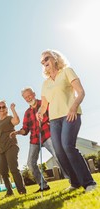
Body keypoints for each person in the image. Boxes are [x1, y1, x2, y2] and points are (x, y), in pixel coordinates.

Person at [39, 49, 97, 192]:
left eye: (47, 58)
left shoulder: (67, 71)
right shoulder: (45, 83)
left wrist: (73, 107)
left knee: (67, 146)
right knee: (59, 151)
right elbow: (44, 105)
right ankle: (75, 182)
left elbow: (81, 92)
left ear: (55, 58)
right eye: (42, 61)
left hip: (70, 115)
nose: (44, 62)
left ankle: (89, 183)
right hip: (54, 120)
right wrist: (40, 113)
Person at [10, 87, 63, 193]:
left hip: (47, 134)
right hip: (35, 139)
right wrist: (18, 132)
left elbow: (54, 116)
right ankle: (43, 185)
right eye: (26, 98)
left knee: (58, 156)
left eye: (29, 95)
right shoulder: (27, 113)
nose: (28, 98)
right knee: (30, 163)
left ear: (34, 94)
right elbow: (25, 130)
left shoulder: (43, 103)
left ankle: (73, 180)